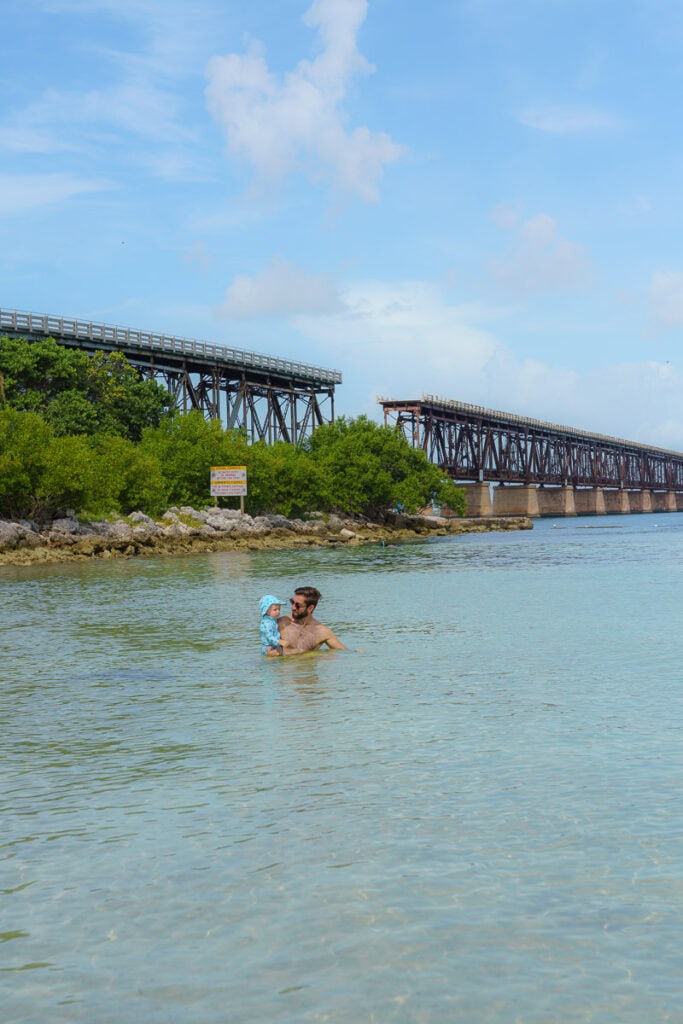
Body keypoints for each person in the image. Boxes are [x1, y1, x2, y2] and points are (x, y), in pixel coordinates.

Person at [277, 586, 347, 655]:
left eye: (298, 605)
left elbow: (344, 653)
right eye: (292, 602)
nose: (293, 608)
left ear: (310, 608)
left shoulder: (322, 632)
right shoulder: (281, 623)